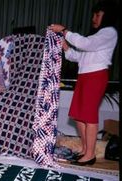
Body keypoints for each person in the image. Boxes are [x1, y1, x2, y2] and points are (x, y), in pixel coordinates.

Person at [49, 0, 118, 166]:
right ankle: (86, 149)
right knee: (78, 115)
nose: (94, 18)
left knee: (89, 116)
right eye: (94, 15)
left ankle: (90, 154)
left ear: (106, 16)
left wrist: (65, 31)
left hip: (96, 76)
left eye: (98, 15)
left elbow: (85, 44)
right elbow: (79, 56)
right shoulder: (96, 35)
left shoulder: (109, 32)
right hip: (85, 76)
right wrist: (65, 46)